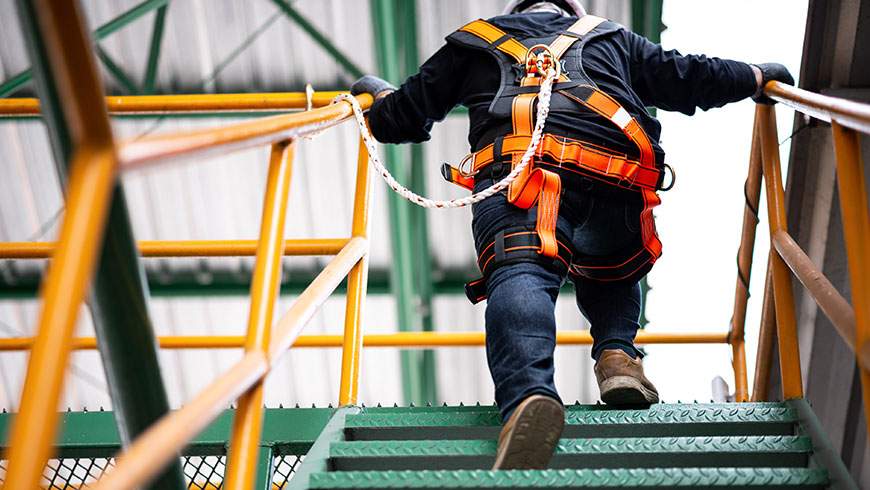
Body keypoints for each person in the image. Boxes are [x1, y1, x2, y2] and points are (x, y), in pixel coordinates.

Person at [351, 0, 794, 470]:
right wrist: (753, 76)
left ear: (514, 13)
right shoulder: (611, 38)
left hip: (523, 179)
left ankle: (528, 398)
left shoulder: (473, 40)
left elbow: (402, 116)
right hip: (617, 181)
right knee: (612, 270)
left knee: (521, 272)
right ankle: (619, 359)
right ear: (570, 13)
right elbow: (685, 76)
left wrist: (375, 98)